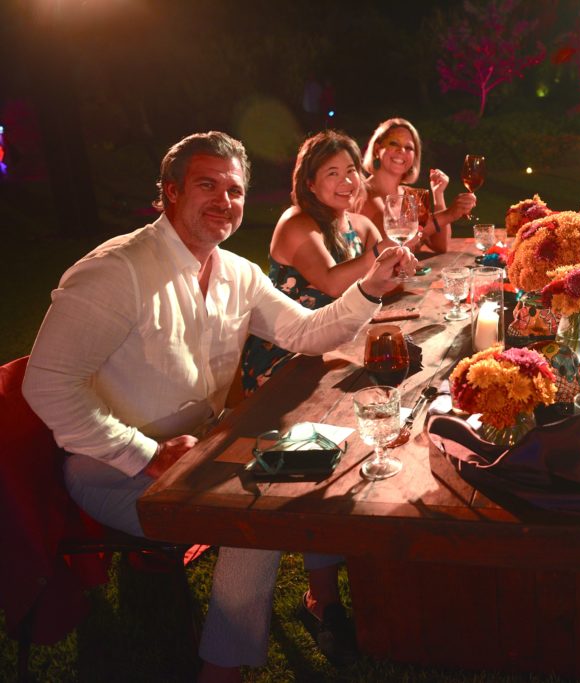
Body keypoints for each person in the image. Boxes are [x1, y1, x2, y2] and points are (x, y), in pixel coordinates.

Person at [21, 131, 413, 682]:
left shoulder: (237, 272)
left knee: (323, 453)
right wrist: (146, 453)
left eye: (234, 190)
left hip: (201, 449)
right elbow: (47, 385)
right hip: (111, 470)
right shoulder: (115, 272)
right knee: (257, 517)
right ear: (171, 192)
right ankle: (221, 671)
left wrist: (370, 288)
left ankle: (326, 602)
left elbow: (304, 331)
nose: (224, 202)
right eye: (207, 186)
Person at [240, 130, 396, 394]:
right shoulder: (296, 222)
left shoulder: (363, 226)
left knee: (392, 373)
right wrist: (381, 252)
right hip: (288, 354)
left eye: (351, 170)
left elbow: (385, 283)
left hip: (339, 342)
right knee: (371, 386)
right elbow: (331, 282)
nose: (346, 181)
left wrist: (399, 266)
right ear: (310, 183)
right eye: (332, 173)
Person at [359, 117, 476, 252]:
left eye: (408, 147)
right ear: (377, 149)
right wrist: (449, 214)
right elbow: (393, 246)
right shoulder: (361, 193)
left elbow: (441, 246)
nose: (401, 151)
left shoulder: (412, 196)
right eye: (394, 143)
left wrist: (438, 195)